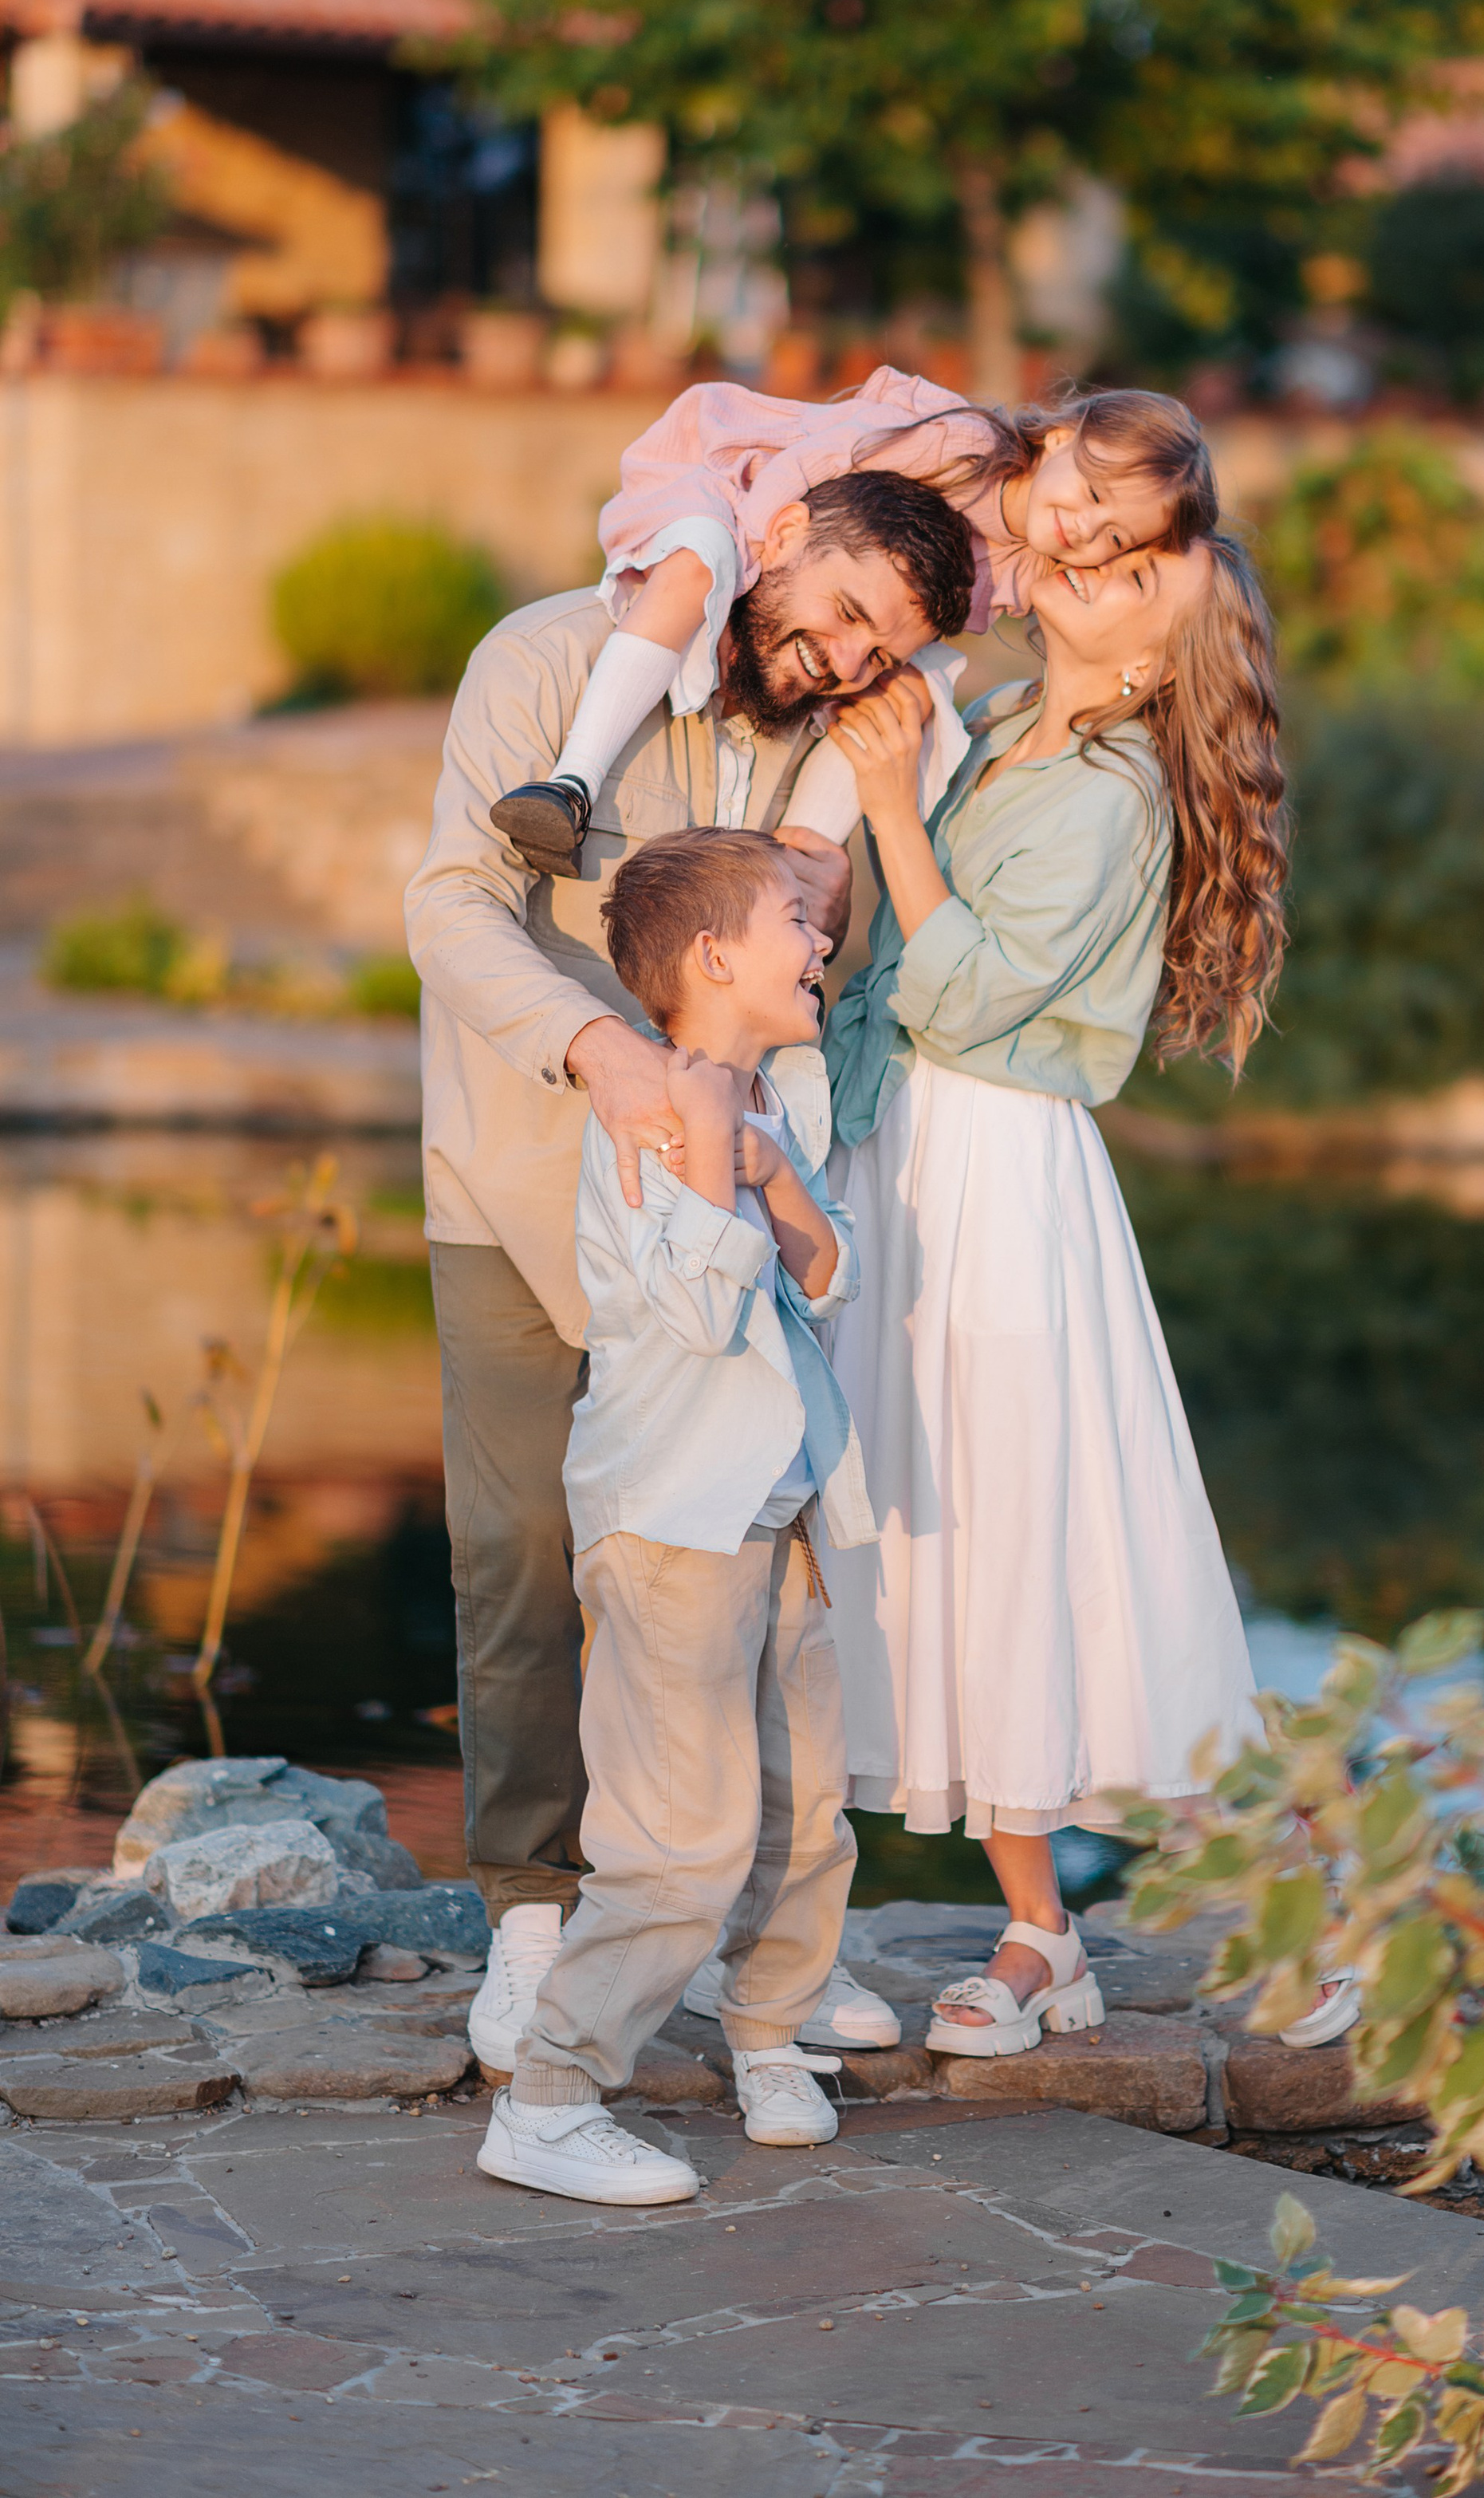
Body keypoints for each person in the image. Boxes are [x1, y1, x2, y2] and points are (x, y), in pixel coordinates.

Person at [403, 468, 978, 2079]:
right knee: (518, 1556)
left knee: (755, 1569)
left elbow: (827, 963)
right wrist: (600, 1050)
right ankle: (534, 1908)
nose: (844, 655)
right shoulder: (546, 657)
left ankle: (755, 1943)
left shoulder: (839, 734)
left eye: (883, 645)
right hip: (517, 1176)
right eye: (841, 608)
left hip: (723, 1223)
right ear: (776, 538)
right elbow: (450, 904)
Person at [819, 527, 1289, 2055]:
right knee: (945, 1539)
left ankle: (1302, 1910)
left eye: (1133, 571)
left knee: (1046, 1531)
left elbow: (965, 991)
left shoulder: (1118, 794)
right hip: (907, 1147)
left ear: (1157, 655)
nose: (1090, 565)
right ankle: (1044, 1930)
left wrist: (893, 804)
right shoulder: (1009, 715)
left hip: (1004, 1169)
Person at [480, 829, 868, 2204]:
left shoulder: (773, 1097)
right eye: (793, 921)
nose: (819, 941)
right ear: (714, 956)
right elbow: (703, 1311)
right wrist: (717, 1151)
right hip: (671, 1522)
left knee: (804, 1808)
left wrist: (771, 1171)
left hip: (780, 1506)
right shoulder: (650, 1112)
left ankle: (766, 2031)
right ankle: (549, 2095)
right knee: (677, 1835)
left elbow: (829, 1275)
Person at [486, 366, 1218, 878]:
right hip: (750, 492)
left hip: (827, 574)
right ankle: (572, 783)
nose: (1085, 528)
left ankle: (795, 869)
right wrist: (757, 565)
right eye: (1093, 493)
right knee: (702, 563)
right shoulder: (965, 447)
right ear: (1059, 438)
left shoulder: (1033, 569)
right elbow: (813, 467)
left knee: (918, 689)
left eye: (1115, 537)